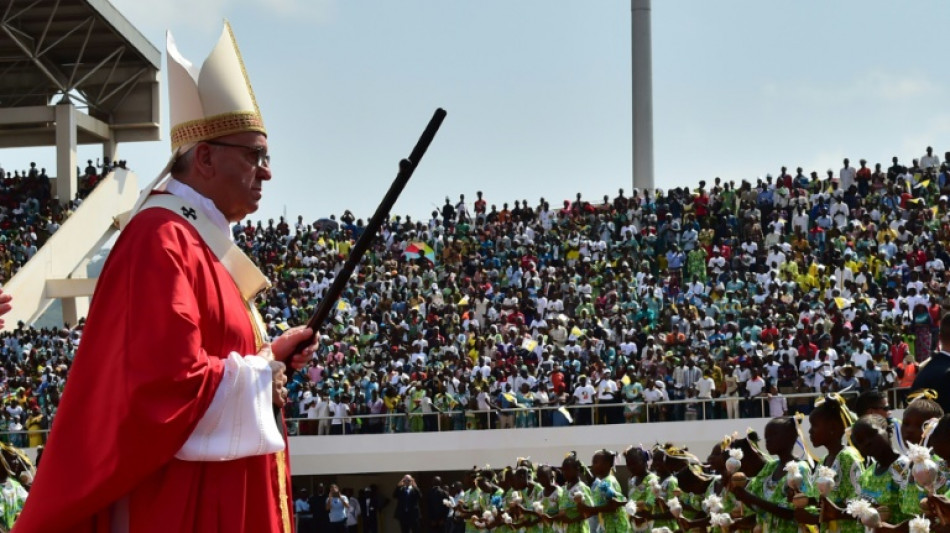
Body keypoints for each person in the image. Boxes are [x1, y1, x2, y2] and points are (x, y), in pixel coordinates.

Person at [13, 23, 316, 533]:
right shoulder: (161, 238)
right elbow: (164, 387)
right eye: (255, 155)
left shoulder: (204, 245)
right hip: (179, 507)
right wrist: (259, 377)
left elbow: (213, 364)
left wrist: (269, 358)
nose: (267, 173)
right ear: (204, 156)